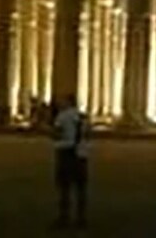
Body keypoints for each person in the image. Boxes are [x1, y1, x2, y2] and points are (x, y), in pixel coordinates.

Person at [52, 94, 89, 229]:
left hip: (66, 151)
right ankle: (81, 218)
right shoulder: (83, 117)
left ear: (68, 102)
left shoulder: (62, 116)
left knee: (65, 188)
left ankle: (64, 217)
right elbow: (88, 134)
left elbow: (57, 132)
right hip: (81, 153)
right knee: (81, 188)